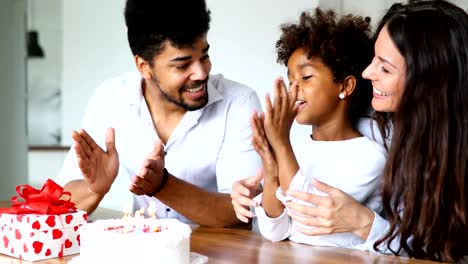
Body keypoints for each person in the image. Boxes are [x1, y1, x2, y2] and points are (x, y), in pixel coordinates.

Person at [234, 0, 468, 262]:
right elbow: (281, 221)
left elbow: (434, 248)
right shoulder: (371, 125)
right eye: (373, 59)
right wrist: (270, 173)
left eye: (385, 67)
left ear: (428, 82)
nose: (367, 73)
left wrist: (363, 222)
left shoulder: (376, 150)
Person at [55, 0, 261, 228]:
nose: (201, 73)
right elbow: (59, 203)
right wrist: (94, 189)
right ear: (144, 66)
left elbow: (242, 216)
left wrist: (163, 185)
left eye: (204, 56)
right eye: (182, 65)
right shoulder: (110, 99)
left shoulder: (239, 103)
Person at [235, 8, 387, 248]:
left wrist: (280, 145)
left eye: (305, 78)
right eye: (290, 81)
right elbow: (275, 231)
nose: (293, 90)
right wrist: (271, 165)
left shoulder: (370, 156)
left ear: (346, 86)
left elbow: (309, 219)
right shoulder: (296, 148)